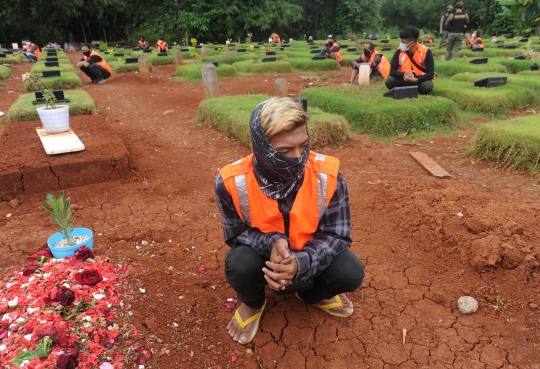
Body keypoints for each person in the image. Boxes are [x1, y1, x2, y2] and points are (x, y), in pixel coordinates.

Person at [215, 97, 365, 345]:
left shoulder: (329, 175)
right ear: (261, 147)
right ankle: (253, 303)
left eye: (303, 145)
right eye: (284, 151)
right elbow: (236, 234)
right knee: (239, 263)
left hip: (313, 255)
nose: (298, 157)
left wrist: (300, 262)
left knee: (350, 272)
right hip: (264, 260)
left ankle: (313, 295)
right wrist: (271, 243)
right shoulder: (231, 182)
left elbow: (337, 235)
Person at [385, 26, 435, 95]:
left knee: (427, 86)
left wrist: (416, 79)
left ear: (412, 43)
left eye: (403, 42)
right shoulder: (399, 51)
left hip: (419, 80)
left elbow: (430, 74)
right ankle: (410, 90)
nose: (401, 44)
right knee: (389, 81)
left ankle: (409, 89)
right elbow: (392, 72)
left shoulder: (426, 51)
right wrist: (404, 74)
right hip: (404, 79)